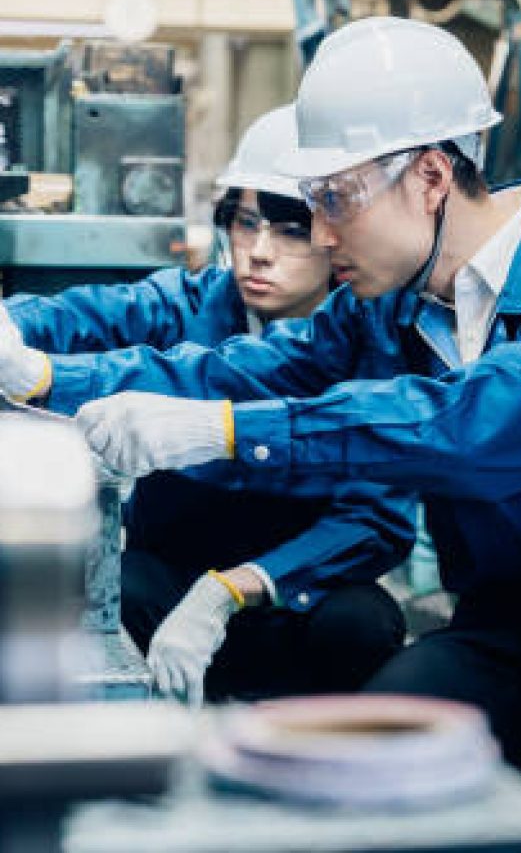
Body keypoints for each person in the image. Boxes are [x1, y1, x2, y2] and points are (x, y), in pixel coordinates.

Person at [13, 18, 521, 851]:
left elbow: (471, 428)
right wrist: (43, 375)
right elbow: (244, 368)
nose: (322, 234)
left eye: (334, 199)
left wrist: (222, 433)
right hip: (510, 634)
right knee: (393, 739)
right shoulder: (392, 307)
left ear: (432, 175)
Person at [0, 104, 410, 707]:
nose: (258, 251)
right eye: (245, 224)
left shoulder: (370, 340)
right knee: (120, 597)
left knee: (364, 623)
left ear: (333, 235)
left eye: (289, 229)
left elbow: (376, 520)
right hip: (168, 581)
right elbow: (82, 316)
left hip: (296, 589)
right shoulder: (185, 305)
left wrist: (228, 592)